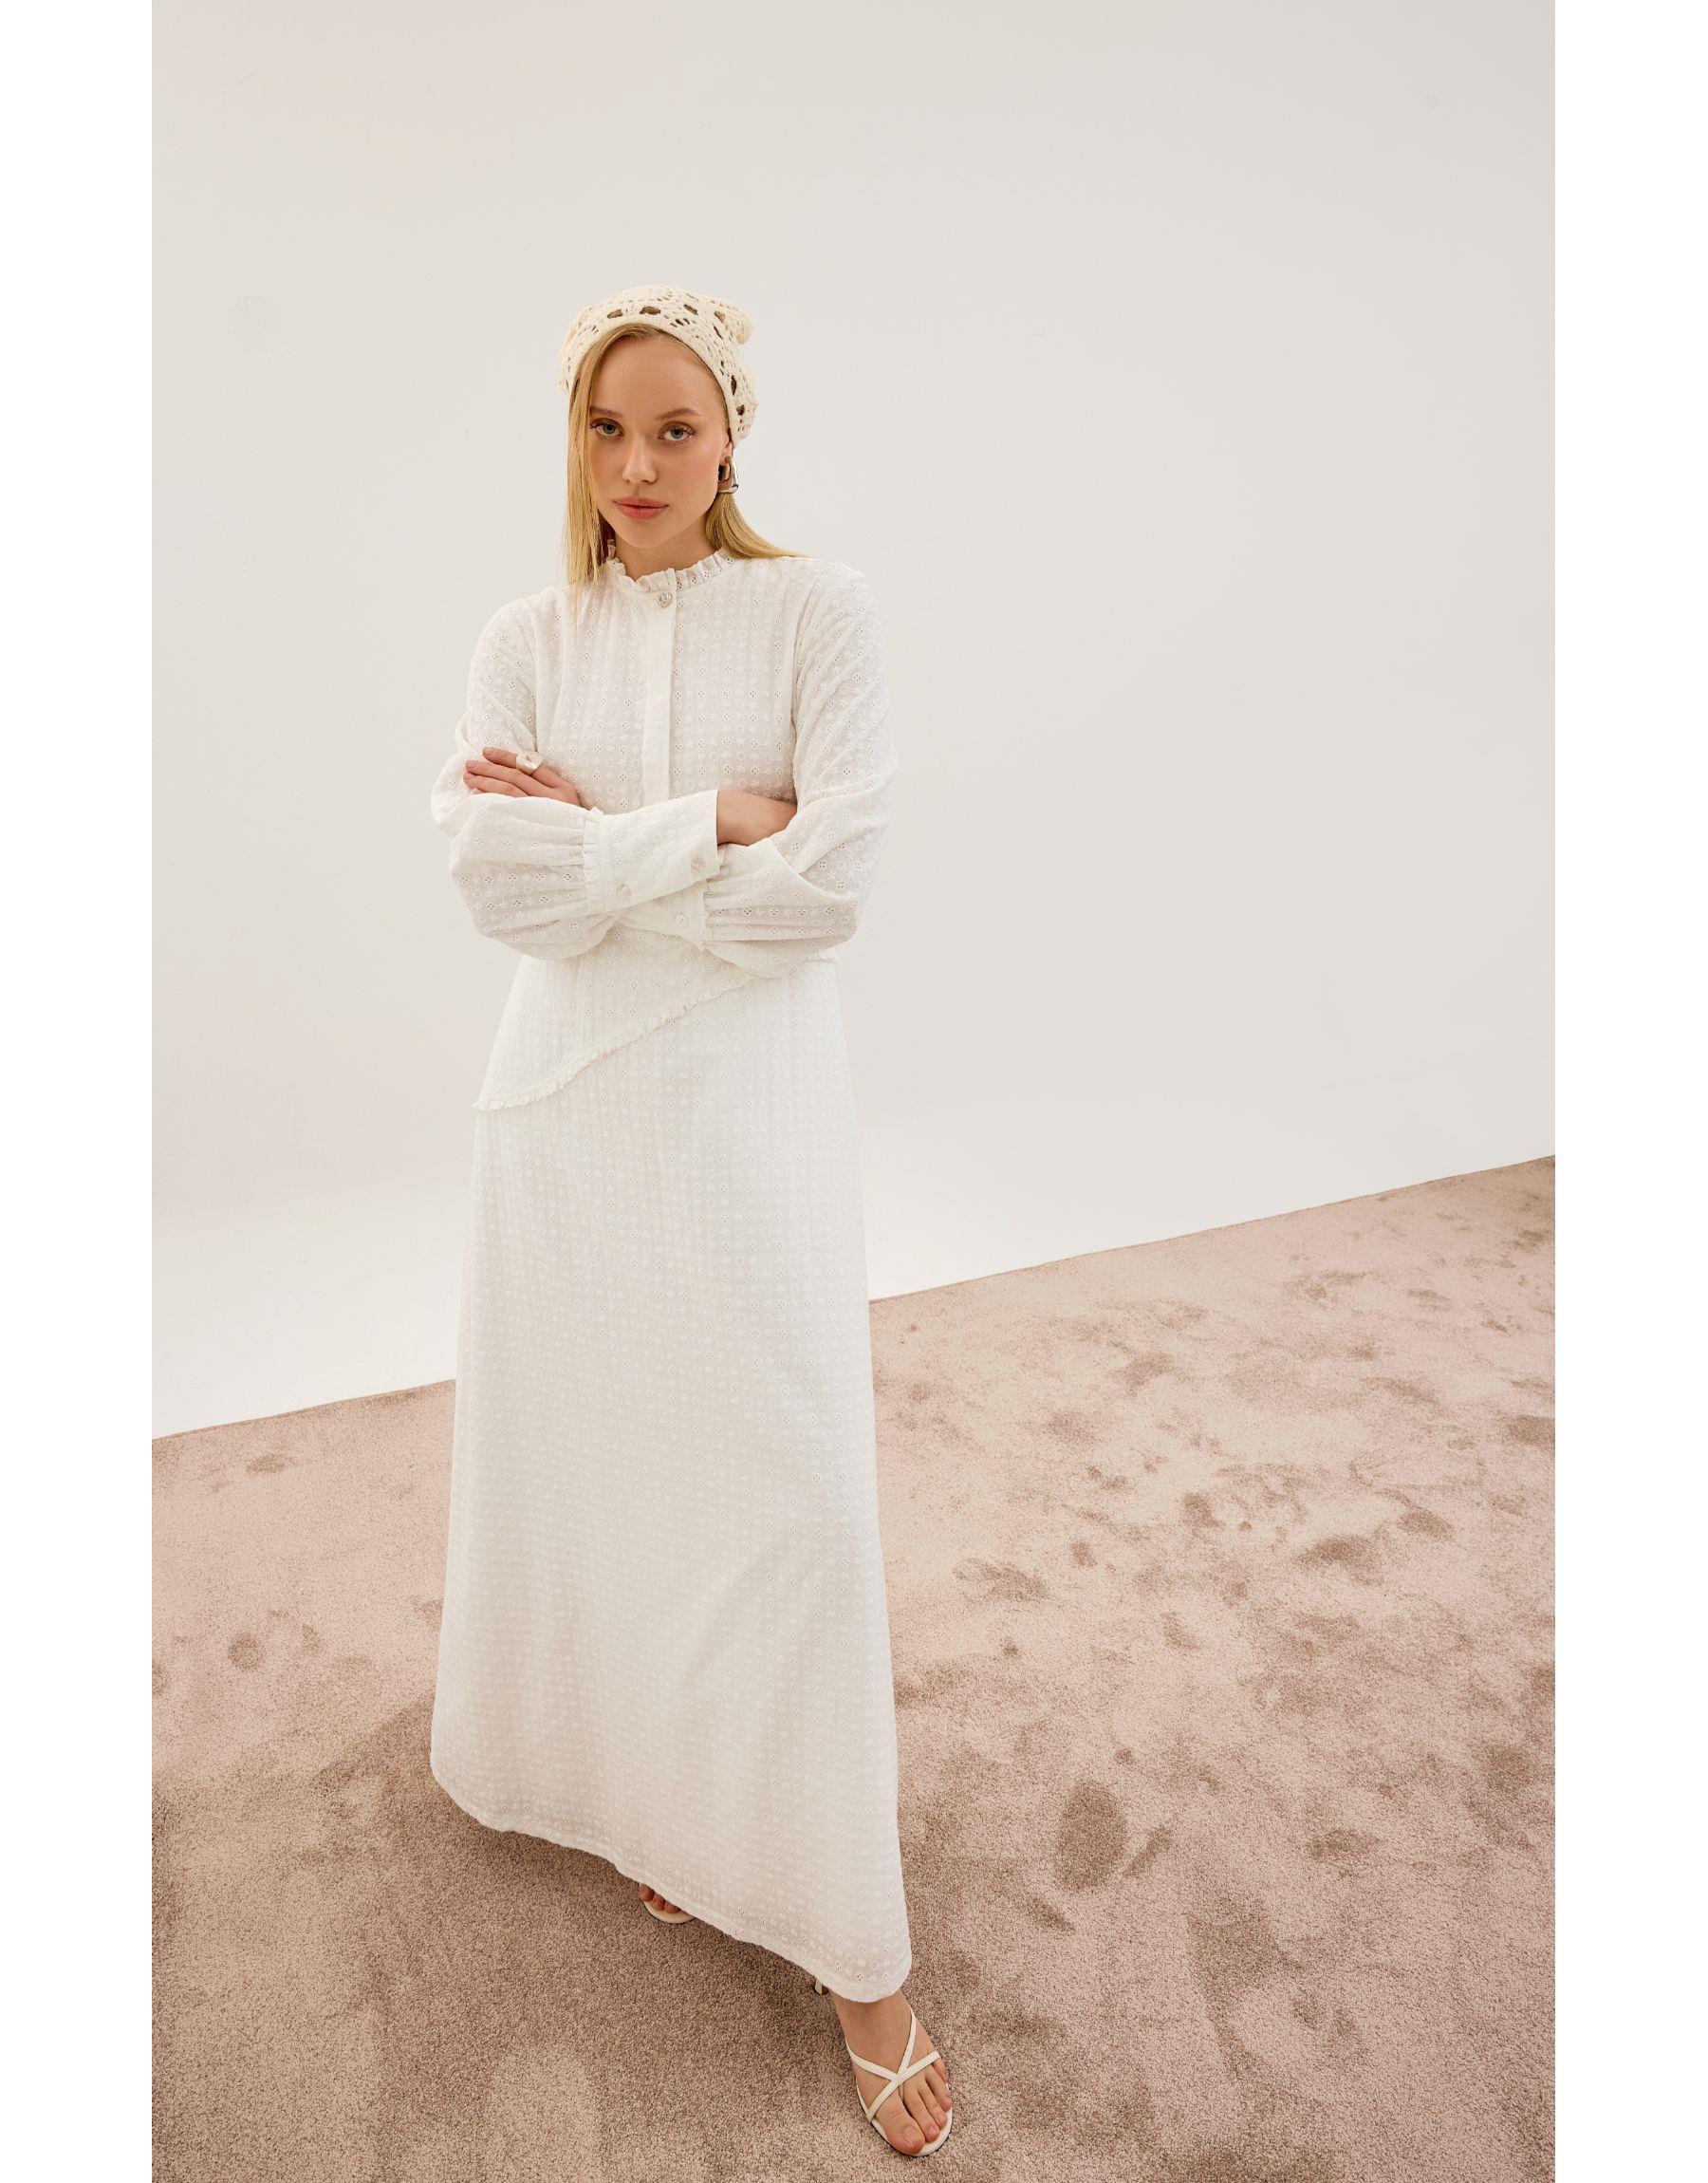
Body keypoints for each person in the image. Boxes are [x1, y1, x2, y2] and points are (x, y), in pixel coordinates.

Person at [425, 284, 955, 2157]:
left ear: (731, 437)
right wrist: (717, 815)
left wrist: (605, 847)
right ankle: (664, 1803)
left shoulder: (819, 613)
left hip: (748, 1118)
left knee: (789, 1500)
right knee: (611, 1471)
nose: (637, 464)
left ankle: (863, 1963)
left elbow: (832, 888)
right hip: (566, 1120)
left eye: (674, 428)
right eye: (607, 428)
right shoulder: (525, 638)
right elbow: (496, 887)